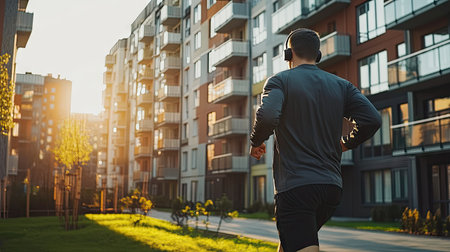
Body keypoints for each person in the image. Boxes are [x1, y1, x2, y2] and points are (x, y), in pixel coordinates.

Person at [249, 28, 382, 252]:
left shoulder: (279, 81)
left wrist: (256, 141)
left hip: (296, 188)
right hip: (331, 188)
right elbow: (372, 119)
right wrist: (346, 143)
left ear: (288, 55)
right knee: (292, 243)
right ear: (318, 55)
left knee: (303, 245)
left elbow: (269, 115)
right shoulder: (342, 85)